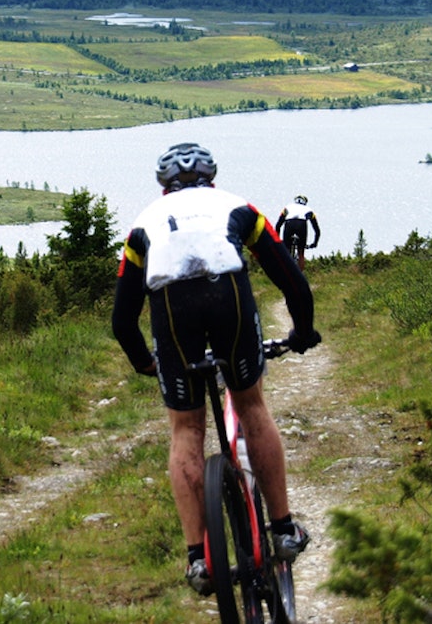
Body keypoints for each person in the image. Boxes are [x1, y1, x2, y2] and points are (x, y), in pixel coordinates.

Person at [111, 142, 321, 596]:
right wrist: (302, 331)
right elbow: (292, 281)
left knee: (186, 429)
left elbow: (122, 321)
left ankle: (198, 560)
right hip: (228, 293)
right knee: (250, 404)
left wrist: (146, 363)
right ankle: (283, 530)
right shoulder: (238, 208)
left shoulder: (143, 225)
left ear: (162, 186)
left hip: (171, 306)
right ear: (212, 177)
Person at [275, 194, 320, 269]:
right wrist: (315, 243)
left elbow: (278, 225)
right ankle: (300, 276)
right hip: (301, 225)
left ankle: (284, 271)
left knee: (286, 251)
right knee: (301, 252)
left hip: (289, 224)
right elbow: (316, 230)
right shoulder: (308, 209)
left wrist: (277, 239)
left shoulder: (287, 207)